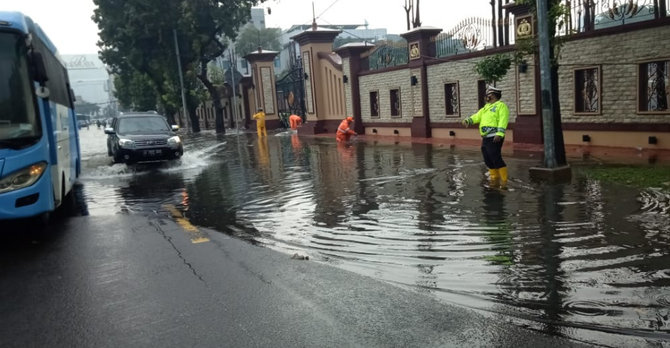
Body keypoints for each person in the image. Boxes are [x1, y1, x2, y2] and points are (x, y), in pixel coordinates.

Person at [461, 85, 509, 188]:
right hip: (486, 138)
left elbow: (503, 120)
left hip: (495, 136)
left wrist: (500, 134)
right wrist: (468, 120)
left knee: (495, 157)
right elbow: (476, 116)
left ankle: (504, 181)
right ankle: (494, 178)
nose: (486, 97)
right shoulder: (485, 108)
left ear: (494, 95)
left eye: (488, 95)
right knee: (487, 158)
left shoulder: (501, 106)